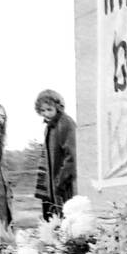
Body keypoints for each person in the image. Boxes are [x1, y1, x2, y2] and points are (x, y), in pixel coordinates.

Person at [34, 89, 76, 221]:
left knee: (68, 221)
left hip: (65, 185)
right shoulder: (49, 127)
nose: (46, 113)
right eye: (43, 110)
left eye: (49, 109)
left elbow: (72, 156)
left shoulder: (65, 123)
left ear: (58, 107)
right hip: (53, 186)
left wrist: (60, 181)